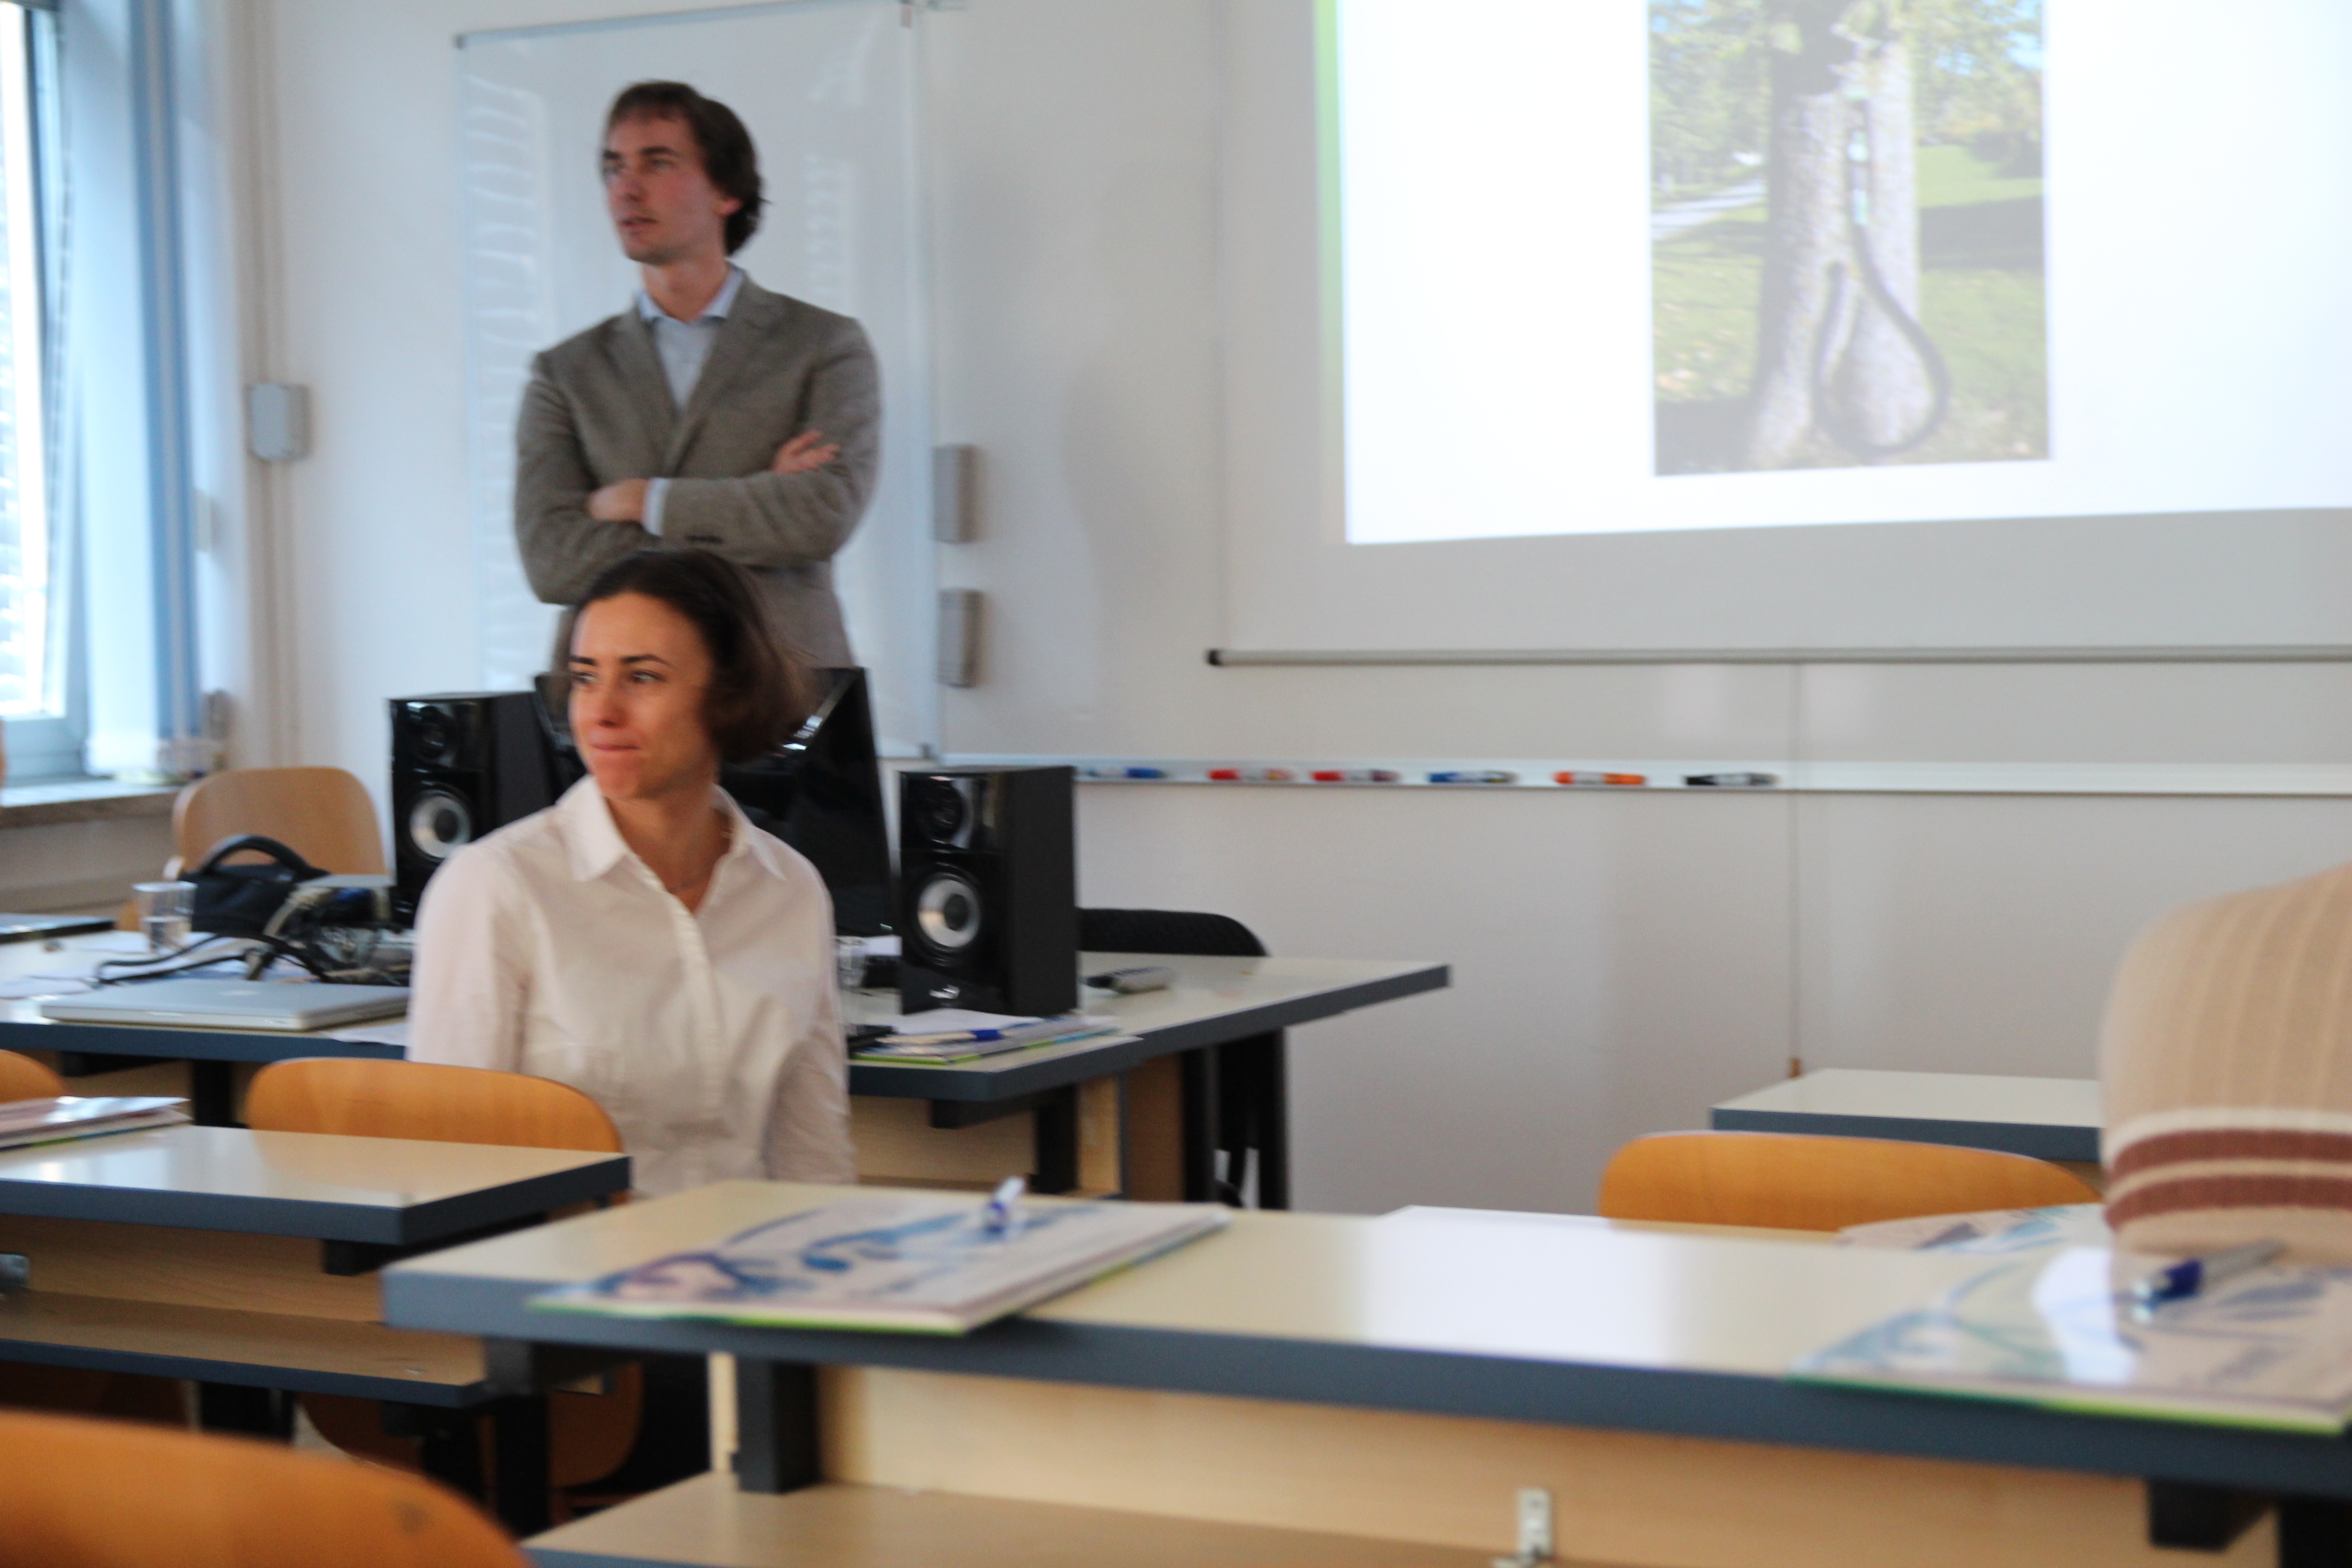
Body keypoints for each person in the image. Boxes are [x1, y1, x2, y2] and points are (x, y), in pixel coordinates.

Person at [408, 548, 856, 1197]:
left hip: (747, 1254)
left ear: (728, 695)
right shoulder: (495, 886)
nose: (602, 713)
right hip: (571, 1259)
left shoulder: (790, 889)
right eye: (586, 678)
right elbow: (450, 1173)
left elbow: (814, 1161)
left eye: (642, 678)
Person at [514, 80, 878, 668]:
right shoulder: (565, 373)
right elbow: (551, 561)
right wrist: (757, 498)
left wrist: (642, 500)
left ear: (726, 191)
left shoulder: (824, 344)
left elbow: (819, 517)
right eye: (614, 168)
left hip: (782, 682)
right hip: (620, 692)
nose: (627, 188)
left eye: (658, 162)